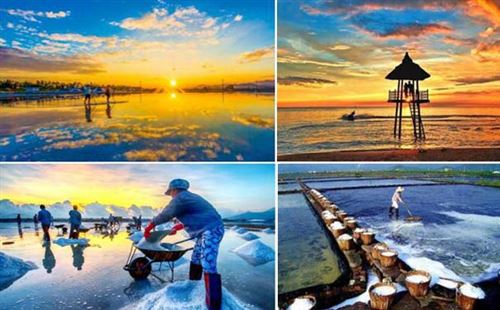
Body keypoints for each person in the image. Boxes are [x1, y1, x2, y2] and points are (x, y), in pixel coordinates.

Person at [144, 179, 224, 310]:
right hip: (206, 230)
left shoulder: (182, 197)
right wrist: (177, 227)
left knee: (208, 262)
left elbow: (166, 213)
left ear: (174, 190)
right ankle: (194, 286)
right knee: (196, 258)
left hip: (212, 229)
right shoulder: (189, 198)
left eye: (171, 193)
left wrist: (150, 226)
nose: (171, 195)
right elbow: (195, 216)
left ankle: (213, 304)